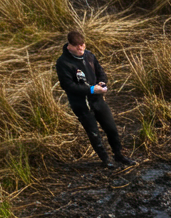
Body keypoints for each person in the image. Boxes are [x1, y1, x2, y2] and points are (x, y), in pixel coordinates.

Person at [55, 31, 136, 169]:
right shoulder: (63, 62)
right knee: (94, 133)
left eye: (82, 45)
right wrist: (92, 89)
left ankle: (119, 155)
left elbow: (101, 73)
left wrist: (102, 84)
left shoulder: (89, 55)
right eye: (77, 46)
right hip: (81, 105)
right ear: (69, 46)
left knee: (112, 129)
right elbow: (68, 86)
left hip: (98, 101)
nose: (81, 49)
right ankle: (106, 160)